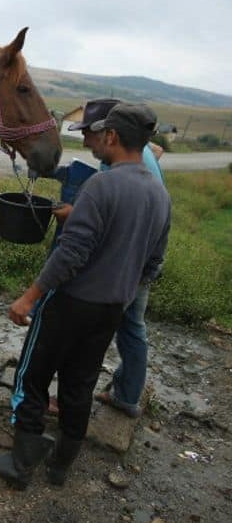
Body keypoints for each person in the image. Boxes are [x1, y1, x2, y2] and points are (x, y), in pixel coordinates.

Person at [0, 103, 171, 489]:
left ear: (112, 136)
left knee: (31, 378)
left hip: (70, 304)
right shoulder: (159, 195)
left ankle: (20, 463)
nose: (92, 143)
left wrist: (29, 297)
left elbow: (71, 254)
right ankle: (60, 467)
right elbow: (154, 262)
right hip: (111, 310)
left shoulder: (103, 184)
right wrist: (122, 294)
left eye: (98, 136)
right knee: (79, 386)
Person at [47, 98, 167, 419]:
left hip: (128, 265)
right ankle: (127, 396)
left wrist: (75, 215)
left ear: (109, 134)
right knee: (129, 329)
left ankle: (69, 403)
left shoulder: (117, 167)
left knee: (89, 336)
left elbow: (112, 223)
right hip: (142, 260)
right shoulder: (138, 157)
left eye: (89, 133)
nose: (85, 141)